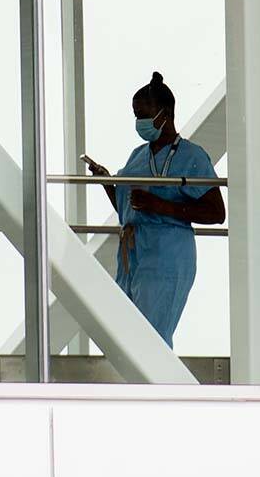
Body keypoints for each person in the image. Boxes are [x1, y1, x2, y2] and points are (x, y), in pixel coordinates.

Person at [86, 72, 225, 347]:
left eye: (144, 115)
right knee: (125, 339)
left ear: (165, 114)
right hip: (132, 257)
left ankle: (161, 388)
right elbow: (130, 209)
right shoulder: (138, 155)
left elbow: (216, 213)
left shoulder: (192, 156)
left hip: (166, 257)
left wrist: (161, 206)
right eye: (136, 116)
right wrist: (107, 184)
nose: (139, 123)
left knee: (151, 342)